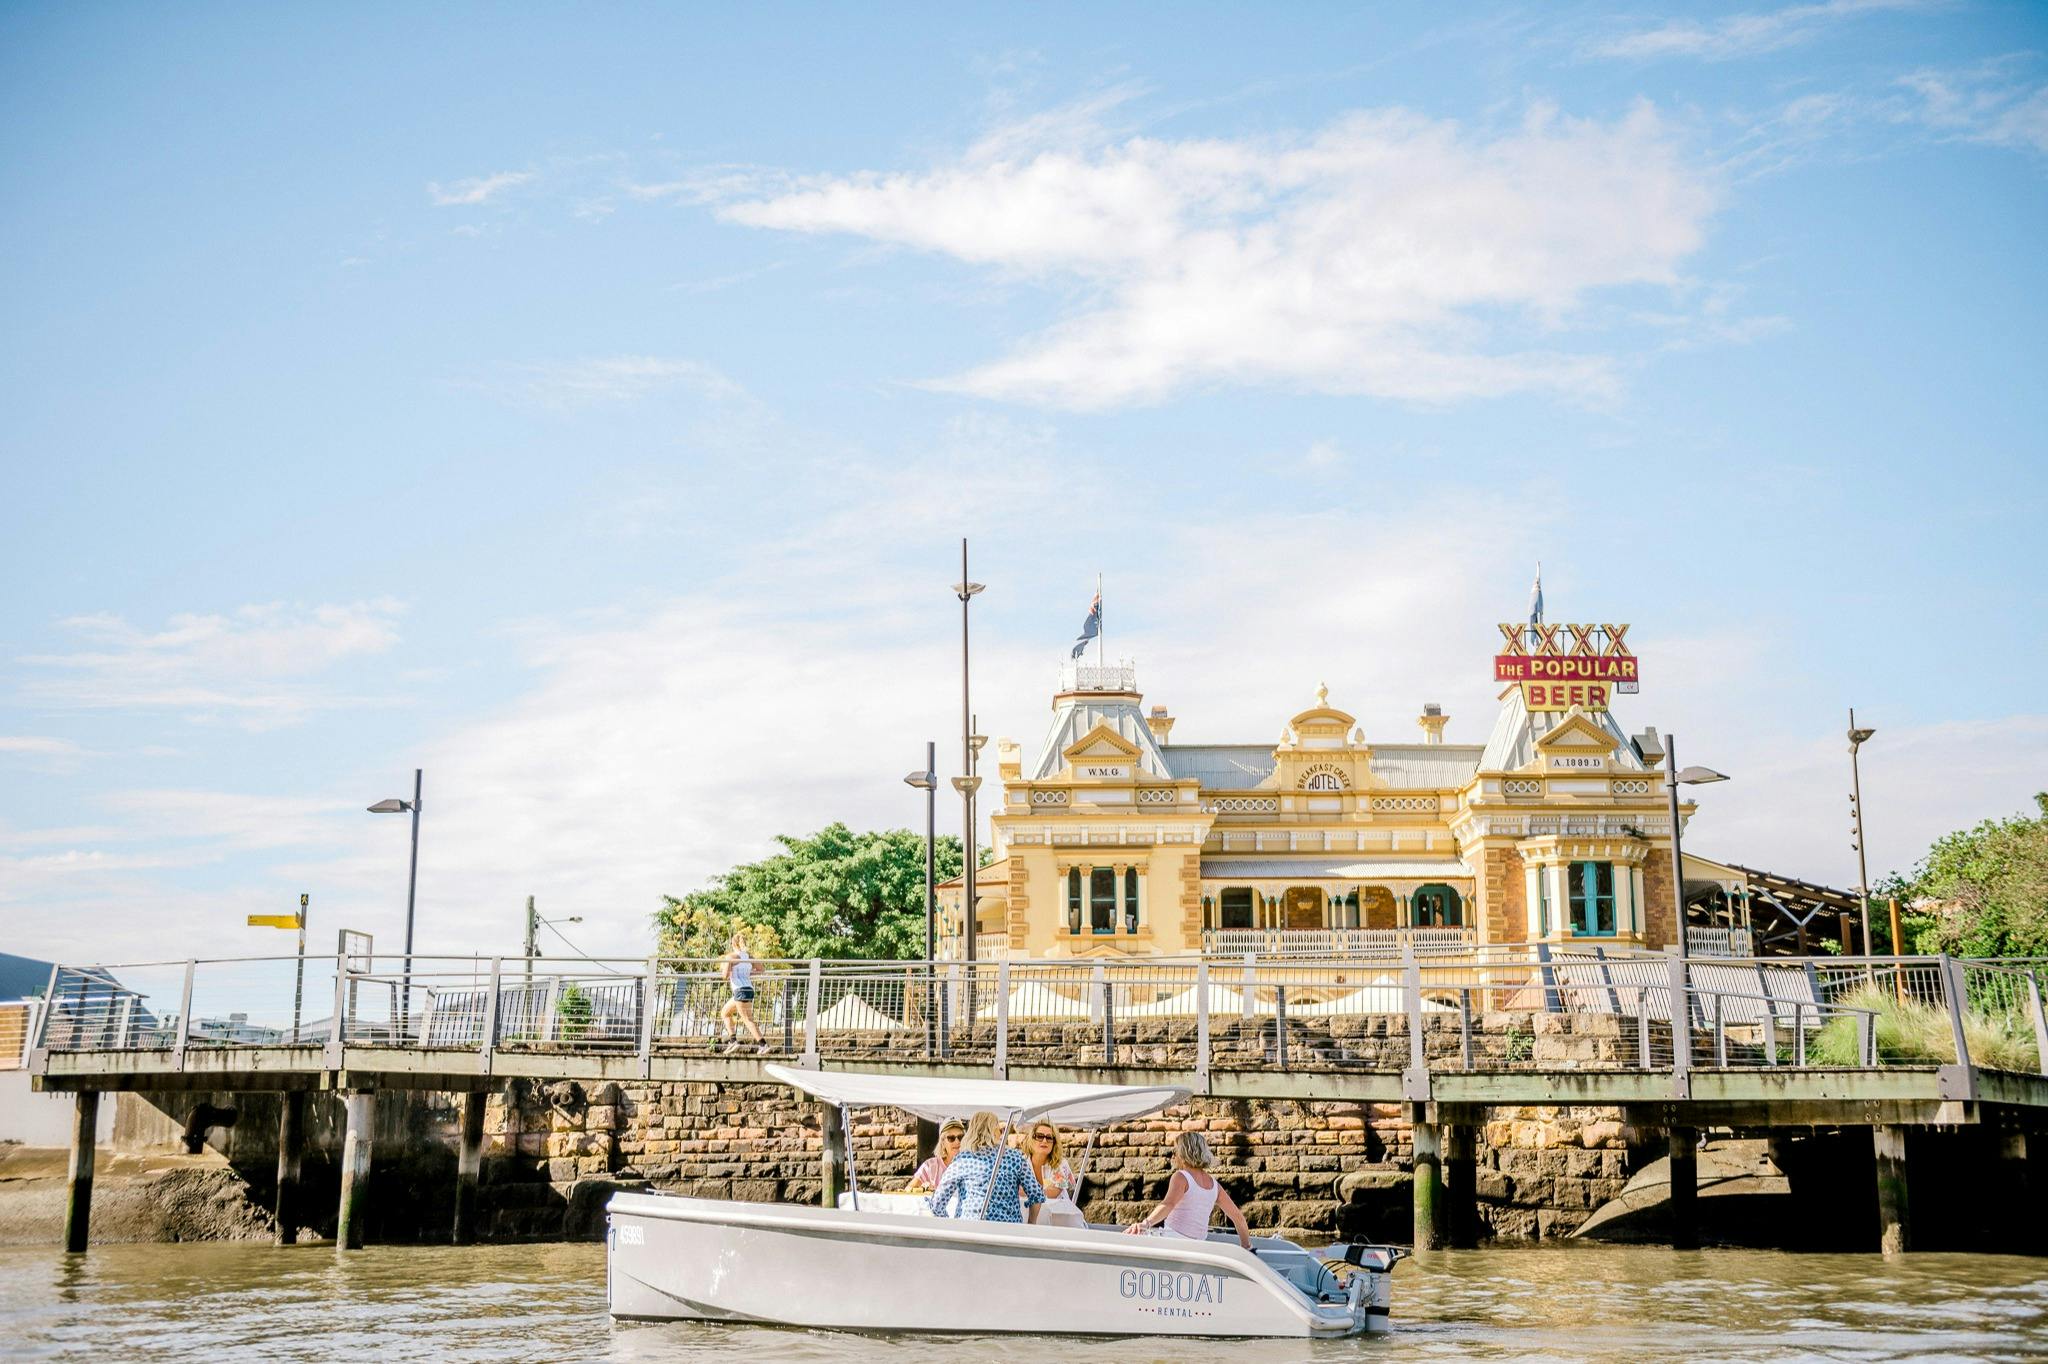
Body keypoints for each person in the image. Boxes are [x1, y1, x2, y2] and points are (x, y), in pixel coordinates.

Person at [1125, 1131, 1250, 1249]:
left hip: (1172, 1242)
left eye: (1175, 1151)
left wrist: (1146, 1224)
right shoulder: (1214, 1185)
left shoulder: (1181, 1177)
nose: (1174, 1156)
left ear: (1184, 1152)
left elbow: (1168, 1204)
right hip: (1197, 1247)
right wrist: (1247, 1247)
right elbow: (1239, 1218)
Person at [930, 1110, 1045, 1224]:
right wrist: (1031, 1223)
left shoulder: (962, 1159)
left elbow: (937, 1202)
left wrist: (950, 1224)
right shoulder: (1015, 1157)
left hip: (970, 1227)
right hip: (1008, 1229)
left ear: (972, 1131)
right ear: (995, 1131)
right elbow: (1036, 1194)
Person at [718, 931, 765, 1054]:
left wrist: (727, 968)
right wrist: (747, 973)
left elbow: (724, 976)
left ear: (733, 944)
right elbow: (761, 970)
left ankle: (763, 1044)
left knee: (747, 1019)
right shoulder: (749, 957)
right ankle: (733, 1040)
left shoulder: (731, 957)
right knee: (725, 1013)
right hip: (748, 989)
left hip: (740, 990)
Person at [906, 1119, 965, 1192]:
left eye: (960, 1137)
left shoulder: (971, 1165)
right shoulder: (930, 1166)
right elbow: (909, 1189)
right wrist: (924, 1189)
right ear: (943, 1142)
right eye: (951, 1138)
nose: (957, 1142)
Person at [1022, 1121, 1073, 1202]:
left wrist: (1026, 1191)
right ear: (1031, 1139)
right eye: (1040, 1136)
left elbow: (1054, 1192)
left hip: (1058, 1212)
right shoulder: (1021, 1163)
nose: (1044, 1141)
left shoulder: (1062, 1164)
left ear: (1054, 1143)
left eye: (1049, 1137)